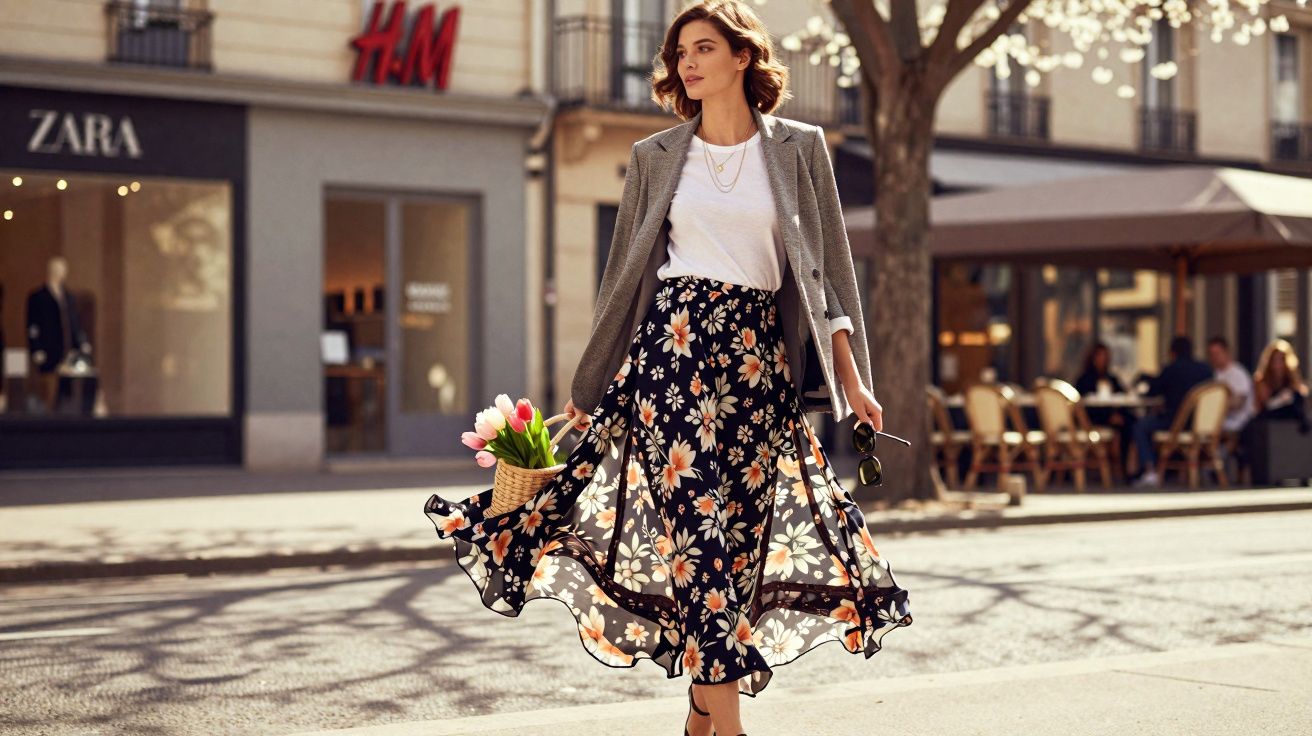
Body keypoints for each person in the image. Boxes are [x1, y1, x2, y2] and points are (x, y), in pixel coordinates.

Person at [422, 4, 912, 736]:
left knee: (738, 553)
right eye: (680, 50)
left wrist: (855, 381)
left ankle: (698, 713)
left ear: (743, 58)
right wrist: (592, 388)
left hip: (758, 366)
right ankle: (733, 730)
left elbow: (826, 280)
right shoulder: (656, 156)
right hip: (673, 353)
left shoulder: (801, 149)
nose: (687, 62)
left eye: (704, 48)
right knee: (699, 544)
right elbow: (623, 278)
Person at [1131, 336, 1214, 487]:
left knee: (1141, 426)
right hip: (1202, 426)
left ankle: (1150, 470)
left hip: (1176, 424)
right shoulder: (1206, 370)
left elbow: (1153, 392)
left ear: (1172, 353)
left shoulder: (1172, 369)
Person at [1250, 339, 1309, 432]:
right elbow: (1263, 406)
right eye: (1275, 360)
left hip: (1288, 423)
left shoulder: (1291, 380)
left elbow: (1299, 397)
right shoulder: (1261, 381)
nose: (1278, 364)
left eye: (1281, 360)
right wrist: (1279, 399)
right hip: (1268, 421)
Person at [1205, 336, 1254, 434]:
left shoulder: (1238, 373)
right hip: (1216, 423)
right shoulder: (1213, 374)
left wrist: (1217, 406)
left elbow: (1239, 402)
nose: (1214, 357)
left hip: (1237, 423)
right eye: (1211, 354)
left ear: (1226, 352)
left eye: (1217, 353)